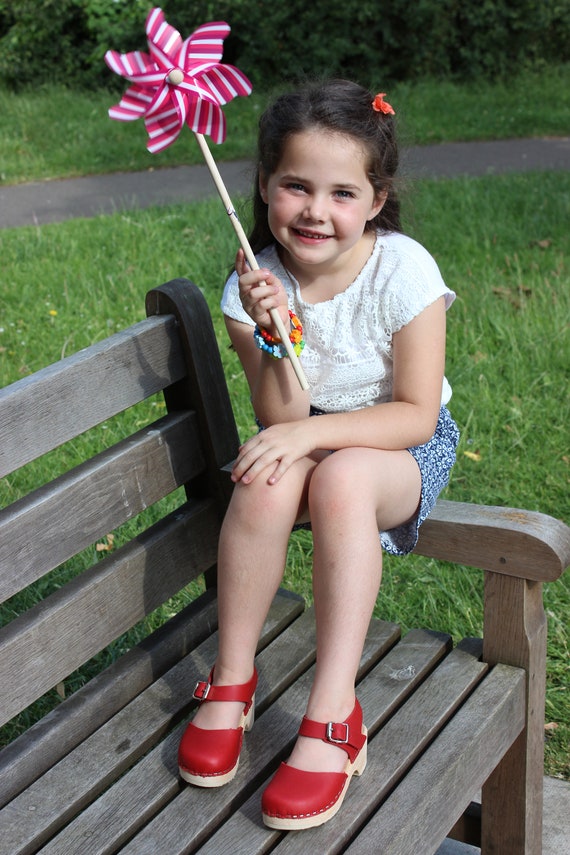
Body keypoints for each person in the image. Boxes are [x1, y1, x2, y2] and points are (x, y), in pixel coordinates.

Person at [177, 79, 459, 830]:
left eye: (341, 192)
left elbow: (415, 412)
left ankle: (335, 713)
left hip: (401, 445)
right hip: (306, 432)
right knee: (267, 479)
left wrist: (307, 438)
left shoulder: (403, 271)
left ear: (376, 198)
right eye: (295, 185)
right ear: (264, 184)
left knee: (337, 479)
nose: (314, 210)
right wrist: (275, 335)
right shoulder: (254, 288)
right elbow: (284, 415)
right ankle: (233, 679)